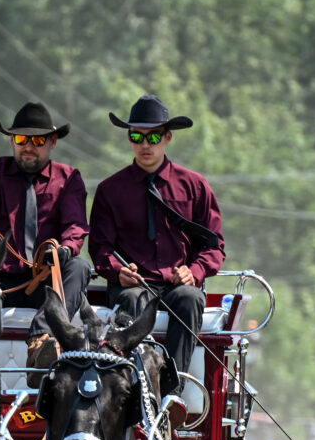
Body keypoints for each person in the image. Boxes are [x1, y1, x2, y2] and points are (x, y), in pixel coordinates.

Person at [88, 93, 225, 377]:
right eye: (137, 137)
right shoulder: (110, 190)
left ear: (168, 138)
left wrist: (194, 271)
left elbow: (215, 246)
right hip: (133, 285)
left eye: (153, 137)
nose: (145, 145)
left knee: (191, 298)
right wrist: (117, 271)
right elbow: (100, 247)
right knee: (131, 299)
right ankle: (130, 382)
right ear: (129, 138)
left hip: (177, 287)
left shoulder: (195, 186)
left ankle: (171, 388)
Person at [0, 101, 91, 367]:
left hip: (46, 281)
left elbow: (75, 225)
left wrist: (65, 248)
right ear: (12, 140)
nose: (28, 146)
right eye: (21, 138)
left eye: (38, 140)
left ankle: (42, 338)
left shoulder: (68, 178)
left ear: (52, 142)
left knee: (79, 268)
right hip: (1, 282)